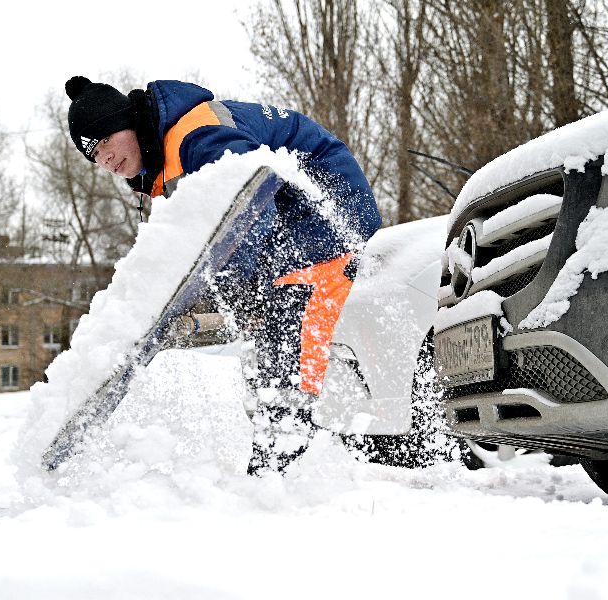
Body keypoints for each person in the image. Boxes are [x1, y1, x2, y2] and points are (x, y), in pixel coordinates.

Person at [64, 76, 382, 475]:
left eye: (103, 142)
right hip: (290, 227)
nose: (103, 159)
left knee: (290, 330)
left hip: (329, 215)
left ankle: (281, 463)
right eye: (91, 155)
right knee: (272, 341)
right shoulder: (168, 156)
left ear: (126, 121)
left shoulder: (197, 135)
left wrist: (235, 286)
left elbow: (248, 205)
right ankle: (279, 458)